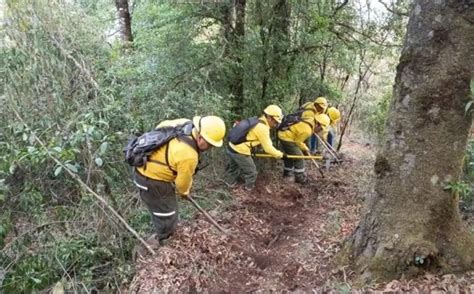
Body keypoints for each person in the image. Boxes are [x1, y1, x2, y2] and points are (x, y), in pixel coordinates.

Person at [133, 116, 226, 243]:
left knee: (162, 210)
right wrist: (185, 193)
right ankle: (164, 240)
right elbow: (182, 185)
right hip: (153, 180)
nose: (210, 148)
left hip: (142, 166)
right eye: (210, 144)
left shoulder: (183, 123)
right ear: (200, 137)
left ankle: (164, 235)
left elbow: (160, 127)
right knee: (167, 213)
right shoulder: (189, 156)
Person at [222, 105, 284, 190]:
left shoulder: (256, 120)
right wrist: (280, 155)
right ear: (269, 117)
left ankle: (228, 186)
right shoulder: (263, 128)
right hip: (240, 151)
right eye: (275, 122)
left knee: (233, 168)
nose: (275, 124)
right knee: (252, 172)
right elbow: (268, 148)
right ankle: (248, 190)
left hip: (231, 146)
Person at [278, 111, 330, 184]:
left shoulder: (310, 120)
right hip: (286, 137)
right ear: (318, 124)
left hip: (285, 134)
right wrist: (306, 149)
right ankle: (299, 177)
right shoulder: (307, 130)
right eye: (321, 128)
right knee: (299, 156)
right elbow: (298, 142)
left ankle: (287, 173)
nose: (320, 130)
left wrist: (305, 148)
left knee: (291, 155)